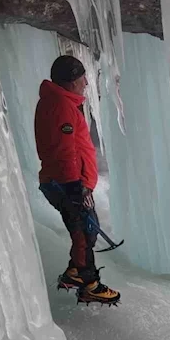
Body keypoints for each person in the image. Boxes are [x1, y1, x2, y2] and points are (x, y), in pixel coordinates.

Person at [34, 55, 119, 305]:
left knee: (84, 230)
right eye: (83, 77)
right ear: (72, 80)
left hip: (66, 181)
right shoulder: (61, 105)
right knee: (83, 230)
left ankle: (74, 273)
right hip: (66, 183)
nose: (86, 83)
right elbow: (65, 150)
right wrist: (75, 187)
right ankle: (89, 284)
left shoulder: (61, 102)